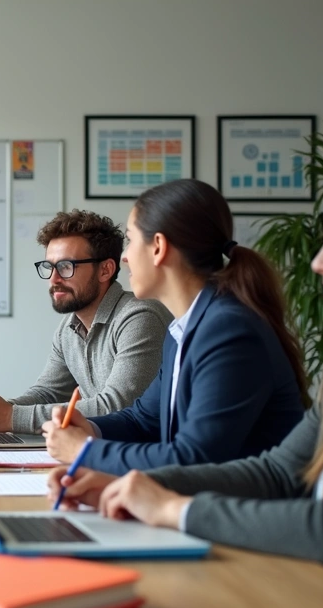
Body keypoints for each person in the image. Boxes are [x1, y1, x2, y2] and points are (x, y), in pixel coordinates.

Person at [48, 159, 323, 608]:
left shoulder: (230, 328)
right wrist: (128, 486)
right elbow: (278, 472)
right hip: (312, 582)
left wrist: (168, 506)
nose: (318, 262)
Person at [41, 179, 308, 474]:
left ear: (158, 247)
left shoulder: (229, 331)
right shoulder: (182, 330)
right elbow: (144, 419)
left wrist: (85, 451)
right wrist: (90, 428)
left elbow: (194, 458)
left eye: (131, 240)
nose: (125, 257)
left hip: (245, 502)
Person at [0, 210, 171, 433]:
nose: (53, 279)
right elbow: (47, 393)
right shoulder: (69, 327)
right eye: (49, 267)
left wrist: (11, 417)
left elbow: (118, 406)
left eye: (66, 266)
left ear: (105, 270)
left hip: (141, 451)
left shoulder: (139, 317)